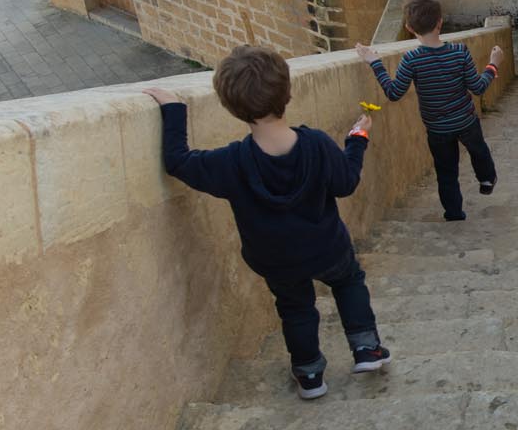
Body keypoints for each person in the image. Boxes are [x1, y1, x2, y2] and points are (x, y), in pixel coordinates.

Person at [147, 45, 389, 402]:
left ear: (231, 107)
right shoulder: (318, 145)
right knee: (348, 280)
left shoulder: (230, 162)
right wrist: (357, 141)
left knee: (294, 306)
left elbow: (179, 162)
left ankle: (309, 374)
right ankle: (366, 349)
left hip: (275, 259)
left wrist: (172, 106)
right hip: (327, 247)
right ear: (287, 93)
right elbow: (345, 183)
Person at [354, 0, 504, 222]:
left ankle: (454, 214)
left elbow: (394, 93)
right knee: (479, 150)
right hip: (466, 121)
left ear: (409, 27)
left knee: (446, 173)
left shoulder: (411, 60)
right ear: (440, 22)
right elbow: (477, 87)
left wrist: (375, 63)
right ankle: (486, 179)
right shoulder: (459, 52)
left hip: (437, 130)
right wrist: (493, 65)